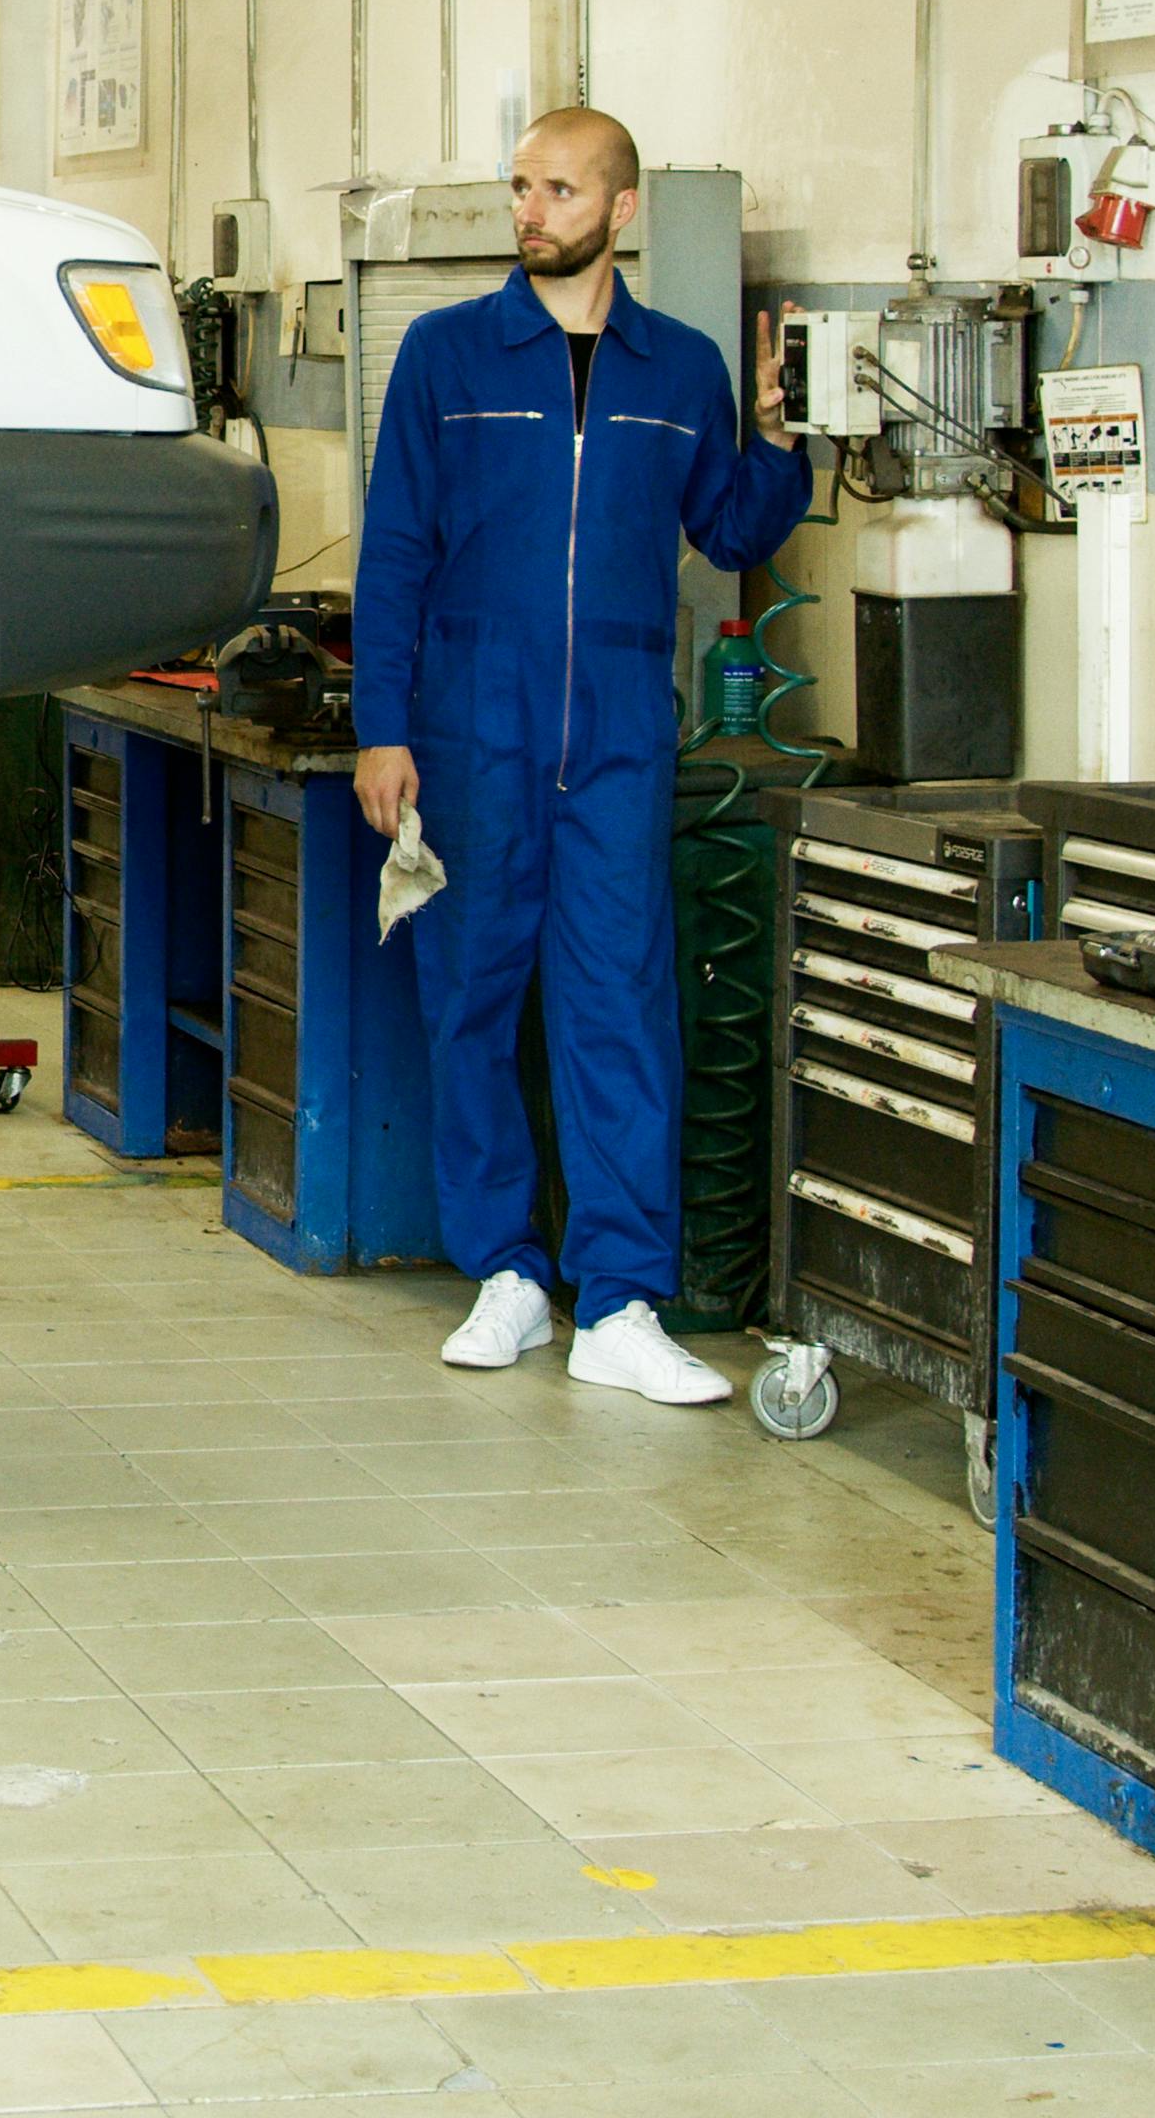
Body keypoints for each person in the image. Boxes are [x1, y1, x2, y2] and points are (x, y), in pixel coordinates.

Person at [345, 109, 806, 1403]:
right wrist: (383, 725)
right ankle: (505, 1273)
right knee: (471, 996)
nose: (530, 210)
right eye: (521, 187)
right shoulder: (446, 354)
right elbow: (394, 553)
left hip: (615, 721)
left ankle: (617, 1301)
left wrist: (775, 441)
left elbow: (728, 532)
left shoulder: (681, 370)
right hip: (466, 721)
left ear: (623, 210)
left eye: (557, 189)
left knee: (620, 1006)